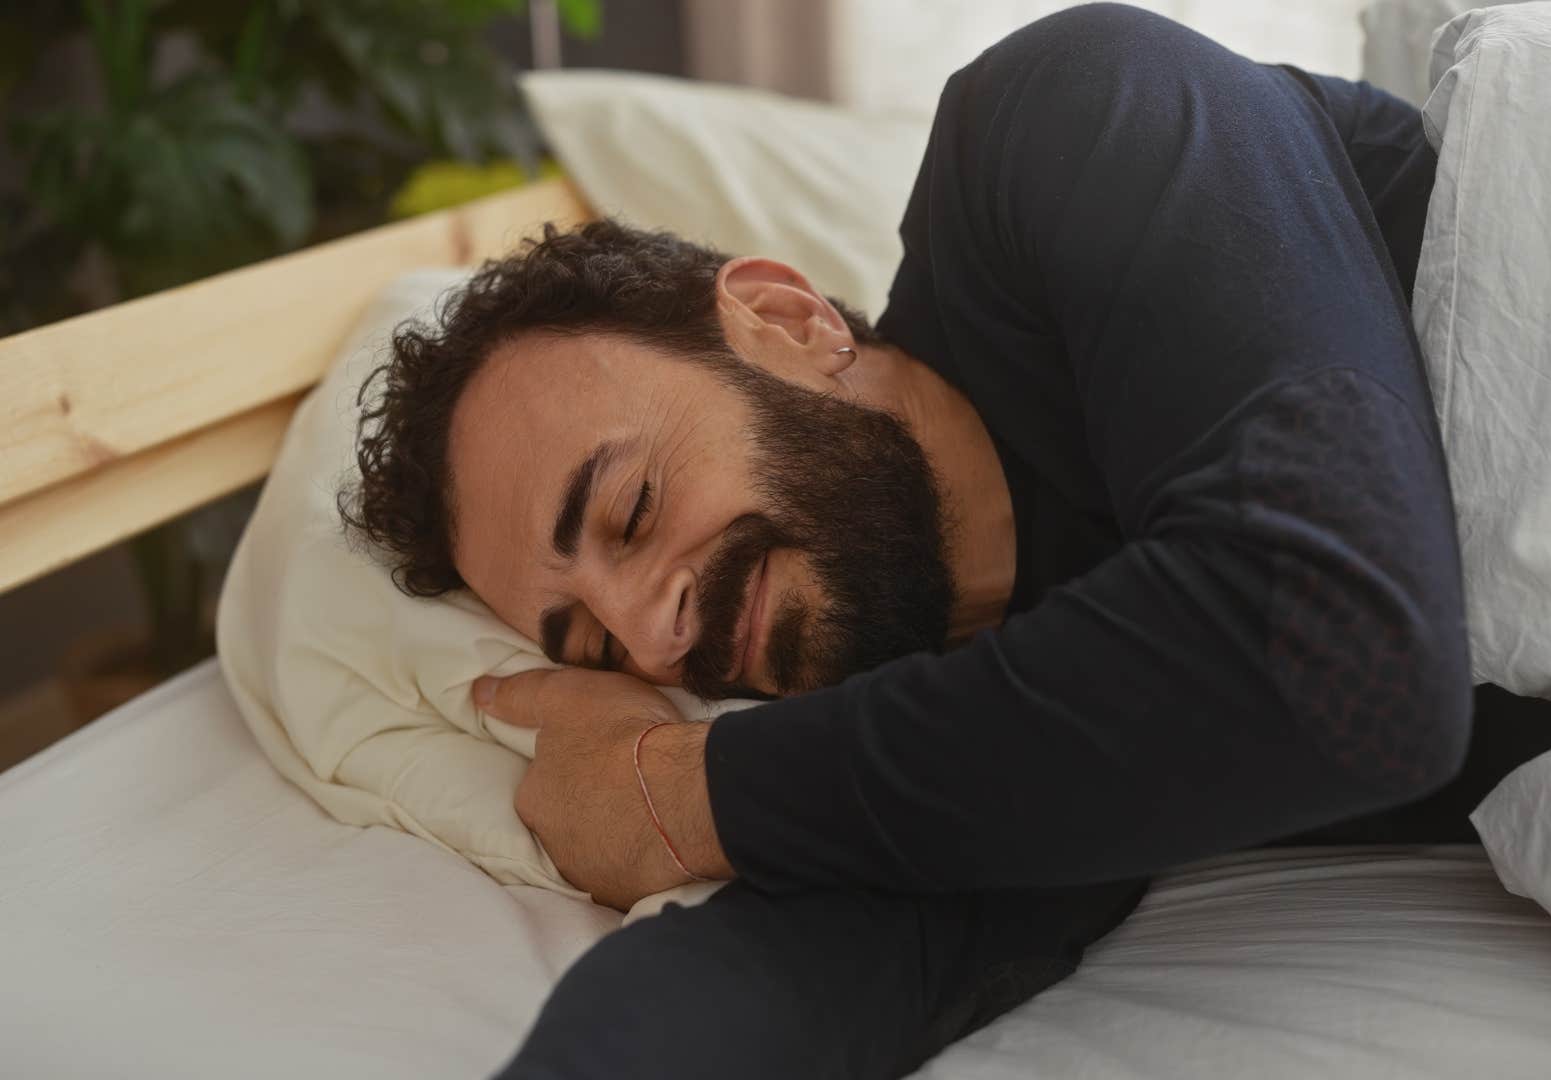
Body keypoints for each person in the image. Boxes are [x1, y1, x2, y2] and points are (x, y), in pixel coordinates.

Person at [341, 5, 1475, 1076]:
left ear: (788, 322)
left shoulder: (1063, 124)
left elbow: (1349, 657)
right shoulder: (924, 725)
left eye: (630, 509)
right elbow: (790, 978)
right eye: (587, 644)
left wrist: (691, 792)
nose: (650, 637)